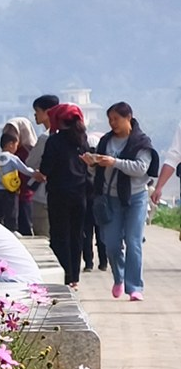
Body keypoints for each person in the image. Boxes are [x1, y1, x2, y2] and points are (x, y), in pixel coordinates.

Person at [84, 100, 154, 299]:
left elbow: (141, 168)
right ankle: (119, 277)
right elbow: (98, 171)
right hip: (110, 197)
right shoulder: (106, 141)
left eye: (116, 119)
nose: (112, 123)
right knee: (112, 243)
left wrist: (115, 162)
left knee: (133, 241)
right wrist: (92, 164)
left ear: (128, 118)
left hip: (135, 198)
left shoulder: (141, 142)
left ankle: (135, 287)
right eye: (110, 120)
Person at [36, 103, 92, 288]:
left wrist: (39, 174)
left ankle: (64, 274)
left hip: (59, 193)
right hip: (80, 193)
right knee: (76, 235)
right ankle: (74, 276)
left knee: (60, 234)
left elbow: (46, 168)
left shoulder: (54, 141)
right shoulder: (82, 139)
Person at [28, 95, 60, 239]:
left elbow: (30, 162)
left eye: (38, 111)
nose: (35, 115)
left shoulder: (45, 138)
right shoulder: (71, 135)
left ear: (48, 112)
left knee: (44, 236)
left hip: (43, 194)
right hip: (66, 194)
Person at [0, 130, 27, 230]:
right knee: (11, 214)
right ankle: (12, 231)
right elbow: (24, 169)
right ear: (11, 144)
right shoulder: (12, 158)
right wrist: (35, 173)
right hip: (9, 190)